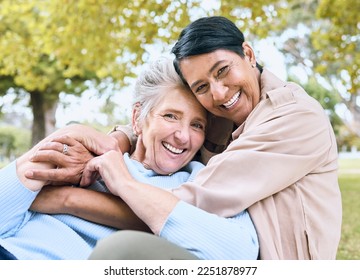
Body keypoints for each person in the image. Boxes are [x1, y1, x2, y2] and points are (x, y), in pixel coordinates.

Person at [26, 16, 342, 259]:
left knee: (122, 251)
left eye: (222, 71)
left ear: (248, 54)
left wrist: (62, 199)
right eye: (201, 87)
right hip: (206, 250)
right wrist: (115, 142)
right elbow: (159, 117)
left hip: (272, 263)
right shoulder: (220, 113)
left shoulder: (296, 118)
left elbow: (183, 209)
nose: (219, 94)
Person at [0, 57, 259, 260]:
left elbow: (239, 254)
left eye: (197, 125)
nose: (182, 136)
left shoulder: (205, 179)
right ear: (137, 118)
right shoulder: (84, 159)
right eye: (170, 116)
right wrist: (65, 137)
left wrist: (125, 185)